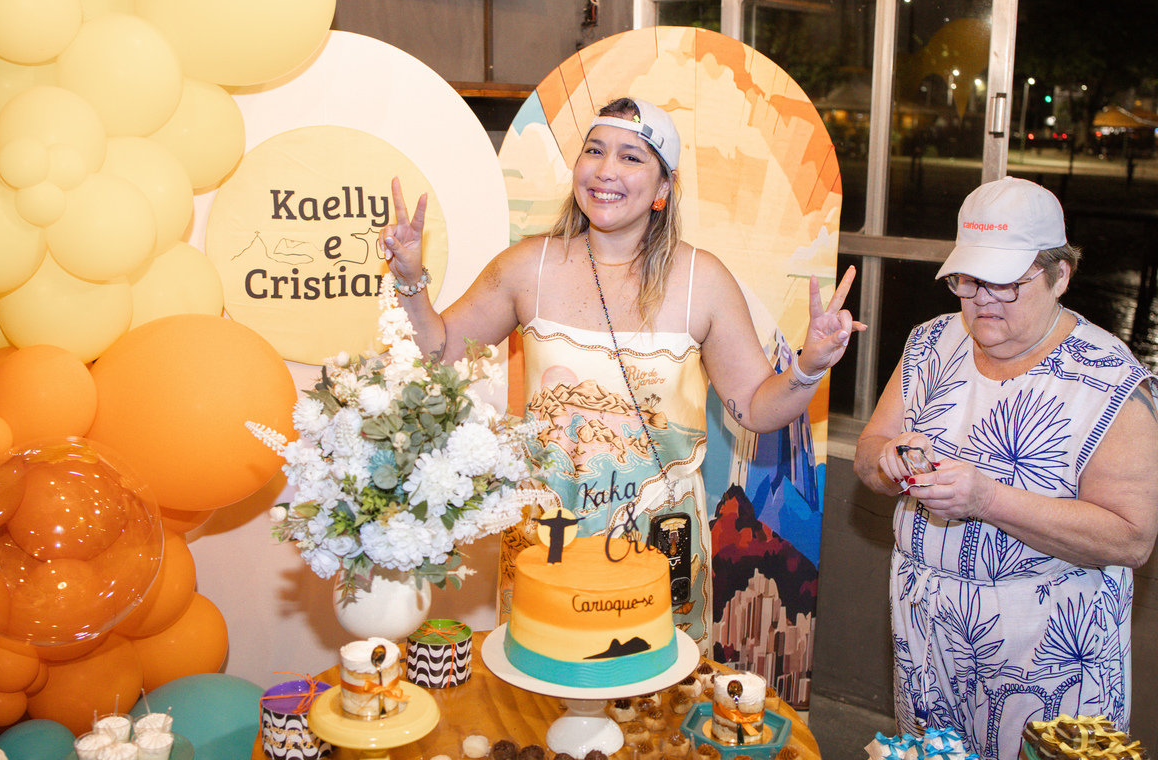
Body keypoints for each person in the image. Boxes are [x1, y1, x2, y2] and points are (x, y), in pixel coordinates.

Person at [382, 97, 863, 649]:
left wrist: (809, 366)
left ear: (663, 187)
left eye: (631, 157)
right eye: (594, 151)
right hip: (546, 543)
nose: (606, 169)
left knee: (650, 691)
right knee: (541, 681)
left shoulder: (701, 280)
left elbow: (756, 407)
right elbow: (440, 355)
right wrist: (410, 280)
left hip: (660, 544)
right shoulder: (526, 267)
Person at [854, 176, 1158, 759]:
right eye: (968, 281)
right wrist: (889, 464)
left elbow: (1131, 538)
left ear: (1060, 275)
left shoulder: (1108, 380)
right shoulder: (930, 345)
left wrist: (987, 500)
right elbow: (870, 453)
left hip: (1048, 659)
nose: (982, 300)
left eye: (1007, 284)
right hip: (929, 638)